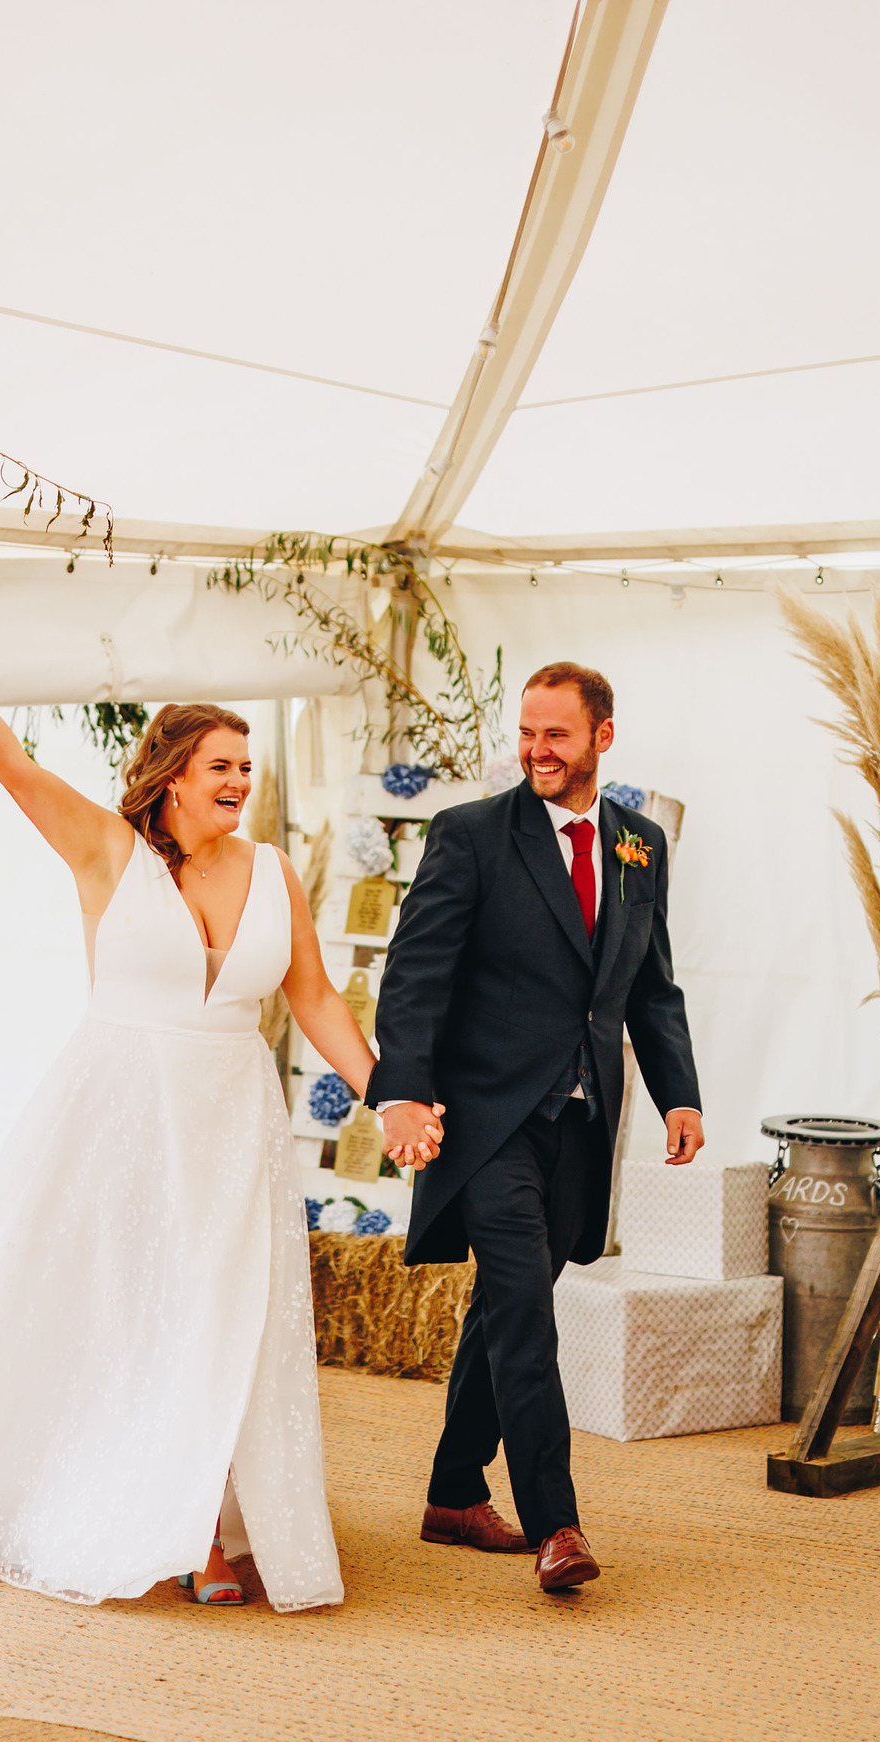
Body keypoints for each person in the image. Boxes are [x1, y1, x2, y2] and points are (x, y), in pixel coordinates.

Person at [0, 668, 419, 1612]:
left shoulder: (273, 871)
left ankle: (204, 1529)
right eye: (220, 765)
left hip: (231, 1122)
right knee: (119, 1309)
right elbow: (11, 764)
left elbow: (311, 999)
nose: (239, 781)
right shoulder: (104, 848)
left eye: (246, 767)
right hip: (120, 1113)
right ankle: (156, 1524)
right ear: (174, 773)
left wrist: (388, 1097)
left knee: (222, 1317)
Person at [368, 662, 703, 1593]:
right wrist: (401, 1089)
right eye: (526, 732)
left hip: (584, 1122)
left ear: (602, 736)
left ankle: (449, 1491)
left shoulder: (640, 846)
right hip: (485, 1123)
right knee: (525, 1310)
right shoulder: (471, 835)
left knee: (502, 1308)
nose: (535, 750)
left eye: (555, 734)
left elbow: (649, 984)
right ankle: (559, 1523)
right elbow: (415, 973)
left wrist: (680, 1093)